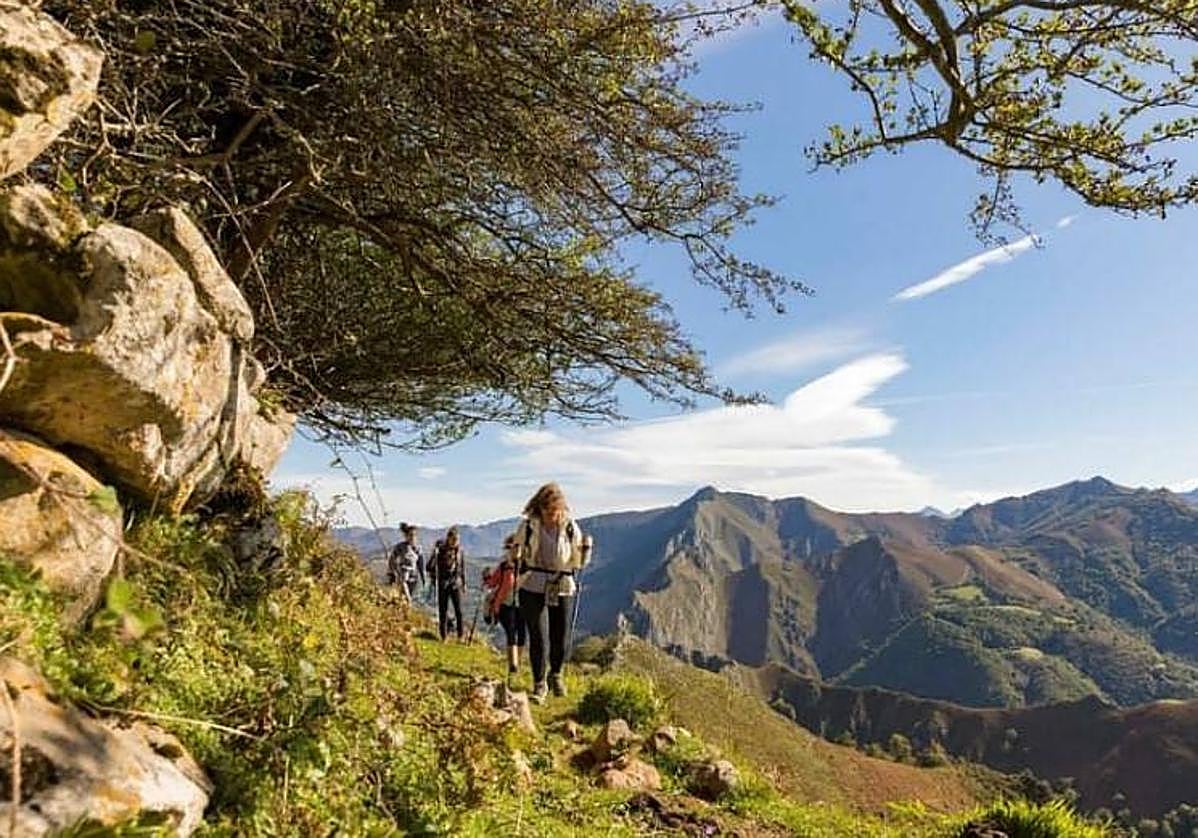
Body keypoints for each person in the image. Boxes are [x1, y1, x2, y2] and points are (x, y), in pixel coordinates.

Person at [511, 483, 592, 703]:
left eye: (554, 510)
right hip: (532, 585)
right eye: (547, 510)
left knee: (561, 635)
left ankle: (556, 673)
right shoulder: (528, 527)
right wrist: (515, 554)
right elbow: (516, 554)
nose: (551, 515)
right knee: (538, 635)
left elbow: (578, 562)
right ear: (539, 507)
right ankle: (539, 684)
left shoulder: (570, 528)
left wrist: (585, 551)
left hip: (562, 584)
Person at [482, 535, 525, 679]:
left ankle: (517, 664)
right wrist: (487, 577)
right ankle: (513, 667)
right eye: (511, 547)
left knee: (522, 636)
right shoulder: (504, 567)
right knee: (511, 633)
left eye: (516, 547)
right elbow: (492, 583)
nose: (514, 550)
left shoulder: (527, 566)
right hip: (506, 605)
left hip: (524, 605)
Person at [426, 527, 467, 641]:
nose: (455, 542)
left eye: (457, 539)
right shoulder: (440, 551)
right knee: (443, 610)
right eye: (453, 539)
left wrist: (463, 583)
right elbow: (429, 567)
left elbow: (462, 567)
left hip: (455, 583)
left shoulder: (460, 551)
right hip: (443, 583)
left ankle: (460, 635)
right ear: (448, 539)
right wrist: (434, 554)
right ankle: (444, 636)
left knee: (459, 610)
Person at [386, 523, 424, 602]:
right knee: (407, 598)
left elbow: (421, 563)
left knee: (408, 597)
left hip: (414, 576)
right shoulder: (400, 546)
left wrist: (423, 577)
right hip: (403, 574)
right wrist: (391, 572)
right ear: (406, 536)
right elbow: (392, 558)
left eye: (414, 535)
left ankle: (405, 610)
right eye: (410, 535)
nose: (412, 537)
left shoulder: (418, 548)